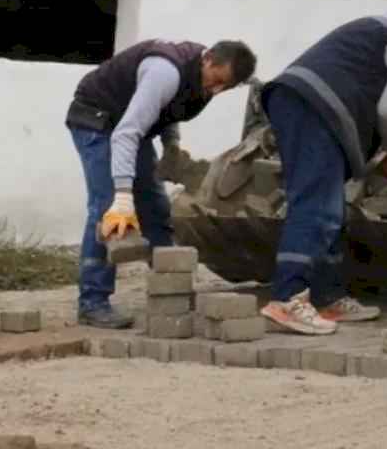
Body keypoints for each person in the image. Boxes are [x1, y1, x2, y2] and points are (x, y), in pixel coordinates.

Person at [257, 7, 387, 335]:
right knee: (316, 205)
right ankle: (288, 299)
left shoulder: (383, 28)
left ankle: (327, 296)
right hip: (314, 107)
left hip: (296, 98)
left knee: (330, 206)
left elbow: (363, 80)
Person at [66, 39, 258, 329]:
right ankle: (92, 303)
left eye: (225, 87)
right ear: (208, 60)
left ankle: (172, 291)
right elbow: (126, 134)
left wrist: (171, 146)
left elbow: (170, 108)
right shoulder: (164, 71)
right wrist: (122, 195)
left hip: (129, 126)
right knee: (107, 209)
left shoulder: (202, 80)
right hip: (97, 119)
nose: (216, 90)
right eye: (217, 81)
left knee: (156, 208)